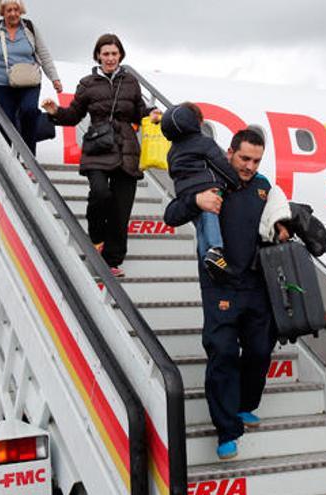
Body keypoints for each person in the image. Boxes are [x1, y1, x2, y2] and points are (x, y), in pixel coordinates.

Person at [164, 129, 287, 460]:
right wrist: (196, 201)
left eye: (256, 161)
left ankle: (245, 404)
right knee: (223, 353)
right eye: (244, 158)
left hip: (256, 283)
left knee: (260, 350)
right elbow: (171, 215)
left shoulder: (263, 186)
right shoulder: (209, 181)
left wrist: (282, 226)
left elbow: (274, 216)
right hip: (219, 283)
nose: (249, 166)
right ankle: (227, 430)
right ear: (230, 152)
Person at [41, 34, 161, 277]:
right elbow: (74, 115)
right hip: (98, 146)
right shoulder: (87, 83)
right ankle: (96, 237)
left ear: (120, 56)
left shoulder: (130, 82)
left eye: (114, 54)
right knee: (100, 193)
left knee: (121, 211)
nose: (110, 58)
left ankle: (111, 262)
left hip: (126, 149)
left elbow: (138, 111)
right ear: (98, 56)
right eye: (105, 54)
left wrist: (151, 113)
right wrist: (55, 112)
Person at [0, 0, 62, 155]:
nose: (13, 13)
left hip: (29, 81)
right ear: (3, 12)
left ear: (21, 11)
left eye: (16, 10)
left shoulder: (29, 28)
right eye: (9, 10)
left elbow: (44, 54)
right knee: (5, 121)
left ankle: (29, 154)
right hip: (1, 84)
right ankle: (10, 158)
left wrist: (54, 78)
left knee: (29, 111)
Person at [160, 102, 239, 280]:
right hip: (206, 184)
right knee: (210, 213)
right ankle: (215, 249)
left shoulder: (171, 152)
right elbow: (220, 164)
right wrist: (235, 182)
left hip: (185, 191)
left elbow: (173, 172)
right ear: (196, 123)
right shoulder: (204, 143)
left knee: (201, 223)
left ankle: (207, 259)